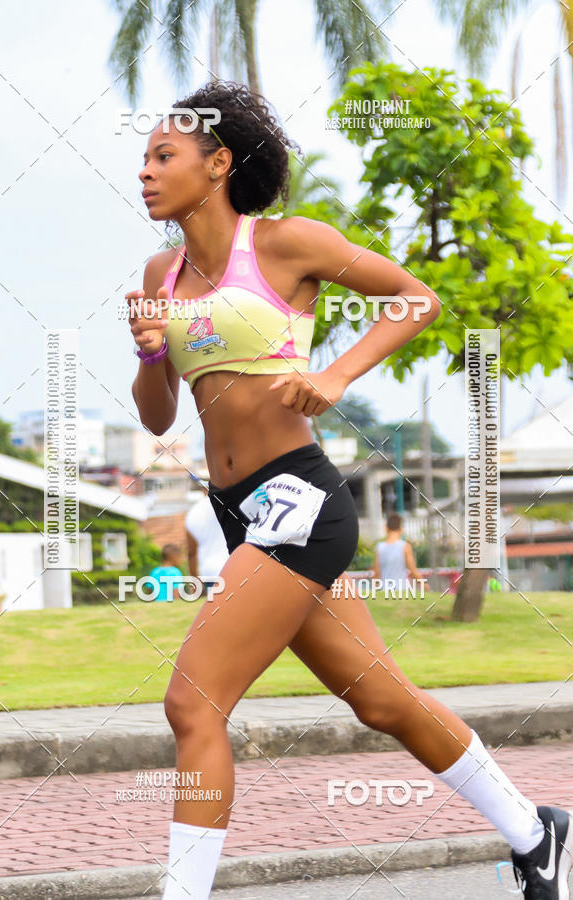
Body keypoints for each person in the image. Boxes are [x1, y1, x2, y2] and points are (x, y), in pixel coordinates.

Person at [127, 81, 572, 900]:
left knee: (192, 702)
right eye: (145, 157)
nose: (146, 172)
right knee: (382, 700)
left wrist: (334, 374)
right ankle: (534, 833)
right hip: (238, 511)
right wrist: (152, 353)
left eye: (165, 156)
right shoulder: (163, 269)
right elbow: (157, 419)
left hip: (298, 496)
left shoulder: (288, 244)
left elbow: (416, 298)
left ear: (218, 164)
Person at [185, 476, 229, 596]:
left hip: (209, 573)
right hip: (232, 567)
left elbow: (191, 553)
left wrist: (196, 585)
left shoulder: (192, 513)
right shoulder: (229, 504)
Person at [371, 512, 423, 596]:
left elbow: (376, 573)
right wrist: (425, 586)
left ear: (386, 528)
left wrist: (376, 591)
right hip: (401, 591)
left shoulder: (379, 547)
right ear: (401, 529)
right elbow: (413, 570)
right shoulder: (405, 546)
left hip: (385, 591)